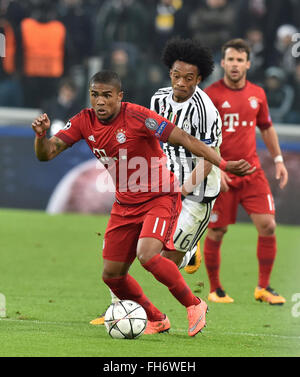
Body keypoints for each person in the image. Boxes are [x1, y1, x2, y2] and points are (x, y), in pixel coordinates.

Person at [32, 70, 254, 336]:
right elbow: (46, 154)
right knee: (112, 276)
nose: (100, 102)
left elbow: (186, 139)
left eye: (106, 96)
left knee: (148, 255)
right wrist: (41, 137)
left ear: (119, 96)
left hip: (160, 197)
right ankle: (156, 318)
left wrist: (224, 163)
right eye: (95, 95)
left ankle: (194, 304)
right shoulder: (83, 121)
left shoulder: (139, 117)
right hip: (125, 204)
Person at [90, 37, 224, 325]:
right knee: (139, 252)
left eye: (189, 78)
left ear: (199, 78)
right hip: (164, 184)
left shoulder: (205, 110)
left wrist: (183, 189)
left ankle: (187, 253)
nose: (181, 83)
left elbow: (209, 157)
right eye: (176, 76)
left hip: (198, 191)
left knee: (165, 260)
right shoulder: (158, 99)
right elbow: (154, 141)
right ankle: (119, 307)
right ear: (169, 74)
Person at [203, 39, 288, 304]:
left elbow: (266, 127)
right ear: (223, 63)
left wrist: (278, 159)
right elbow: (202, 137)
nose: (235, 64)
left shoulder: (258, 94)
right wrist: (217, 169)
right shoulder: (211, 95)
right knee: (217, 231)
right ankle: (215, 289)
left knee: (268, 225)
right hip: (223, 173)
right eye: (231, 59)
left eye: (240, 60)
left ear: (248, 64)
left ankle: (263, 287)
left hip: (252, 172)